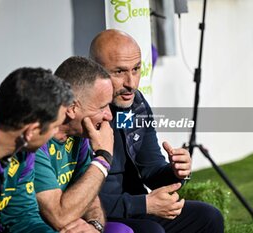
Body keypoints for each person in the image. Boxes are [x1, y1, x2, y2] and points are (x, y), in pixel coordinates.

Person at [90, 29, 224, 233]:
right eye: (119, 72)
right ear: (95, 71)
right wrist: (142, 204)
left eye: (136, 69)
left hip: (137, 208)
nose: (131, 83)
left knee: (208, 217)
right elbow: (77, 200)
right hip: (97, 215)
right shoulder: (81, 116)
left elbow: (151, 170)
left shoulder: (136, 106)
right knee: (151, 231)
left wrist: (175, 170)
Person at [34, 56, 133, 233]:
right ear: (72, 108)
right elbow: (59, 216)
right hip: (36, 226)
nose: (109, 116)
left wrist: (94, 225)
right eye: (102, 107)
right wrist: (103, 158)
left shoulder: (79, 135)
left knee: (122, 230)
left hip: (67, 221)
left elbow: (90, 198)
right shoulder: (36, 139)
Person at [0, 67, 74, 232]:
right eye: (56, 126)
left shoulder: (23, 148)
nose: (57, 132)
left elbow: (23, 218)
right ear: (31, 131)